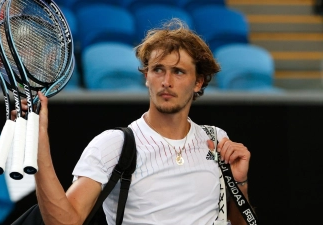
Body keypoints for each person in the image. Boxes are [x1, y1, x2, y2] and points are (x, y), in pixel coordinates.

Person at [17, 19, 252, 225]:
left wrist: (239, 183)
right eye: (158, 69)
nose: (166, 81)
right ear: (146, 77)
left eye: (178, 72)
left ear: (198, 82)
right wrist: (38, 146)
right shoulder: (113, 145)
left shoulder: (217, 140)